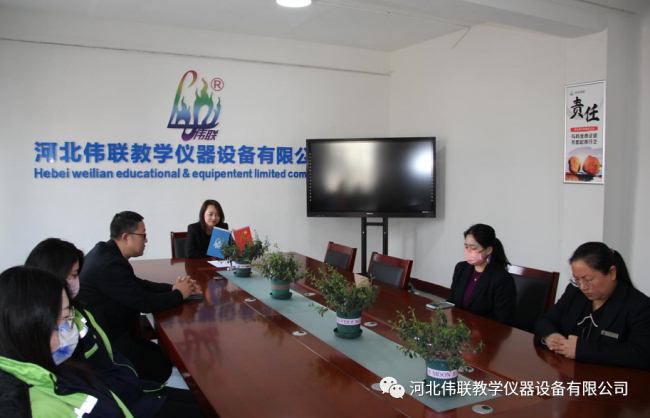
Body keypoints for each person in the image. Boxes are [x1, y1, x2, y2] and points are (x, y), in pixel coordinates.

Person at [78, 211, 199, 384]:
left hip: (112, 328)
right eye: (143, 235)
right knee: (162, 363)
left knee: (161, 354)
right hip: (107, 343)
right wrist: (179, 294)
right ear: (126, 237)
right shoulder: (110, 265)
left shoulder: (107, 252)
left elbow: (137, 284)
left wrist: (173, 288)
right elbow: (144, 302)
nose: (146, 240)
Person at [0, 266, 136, 417]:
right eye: (66, 317)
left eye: (71, 315)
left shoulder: (59, 368)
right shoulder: (37, 408)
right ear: (29, 327)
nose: (71, 326)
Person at [535, 242, 650, 370]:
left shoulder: (639, 306)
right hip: (568, 373)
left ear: (612, 273)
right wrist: (550, 335)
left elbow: (642, 354)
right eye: (577, 280)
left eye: (588, 280)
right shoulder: (574, 292)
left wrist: (581, 350)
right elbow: (546, 320)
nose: (583, 287)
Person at [447, 223, 516, 324]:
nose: (468, 251)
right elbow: (451, 300)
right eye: (466, 247)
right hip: (458, 327)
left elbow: (502, 319)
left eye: (473, 248)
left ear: (488, 250)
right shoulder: (461, 268)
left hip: (483, 330)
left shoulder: (502, 279)